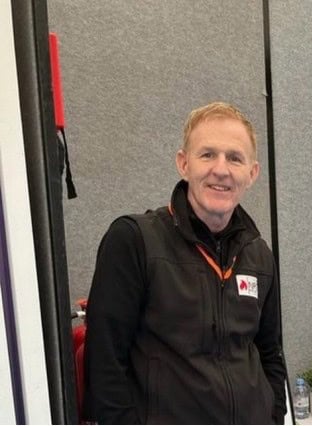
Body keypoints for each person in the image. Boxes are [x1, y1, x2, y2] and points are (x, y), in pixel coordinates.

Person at [83, 101, 287, 424]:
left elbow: (270, 354)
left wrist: (274, 417)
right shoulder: (134, 241)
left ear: (252, 173)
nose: (221, 169)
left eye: (235, 158)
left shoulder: (259, 256)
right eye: (207, 154)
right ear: (183, 163)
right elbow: (104, 364)